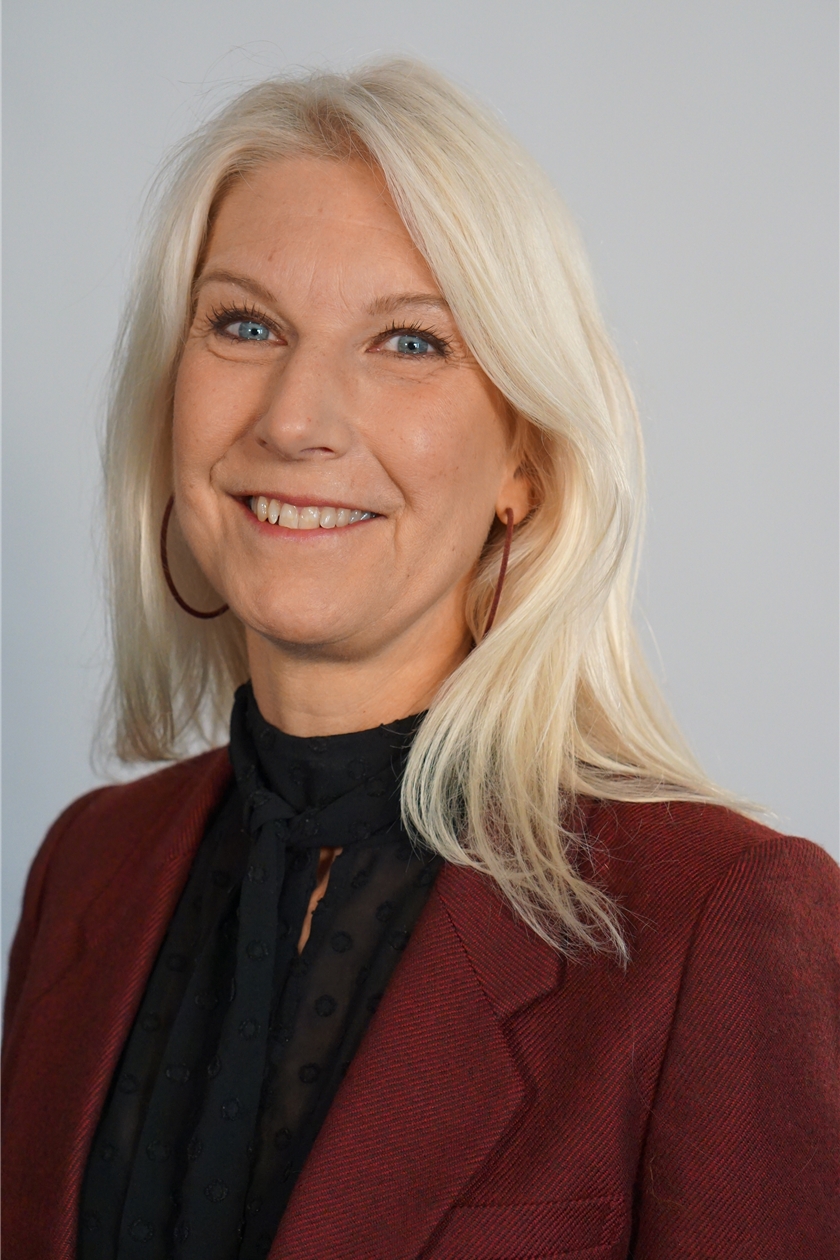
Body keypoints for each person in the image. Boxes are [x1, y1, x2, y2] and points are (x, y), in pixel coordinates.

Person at [2, 58, 837, 1260]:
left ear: (525, 464)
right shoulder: (86, 870)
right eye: (246, 325)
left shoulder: (715, 919)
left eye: (408, 341)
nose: (294, 419)